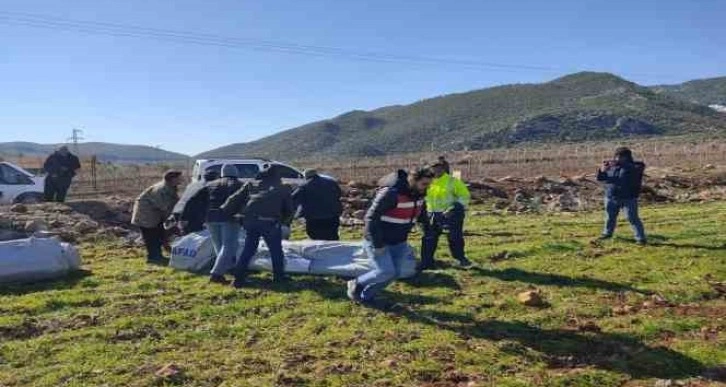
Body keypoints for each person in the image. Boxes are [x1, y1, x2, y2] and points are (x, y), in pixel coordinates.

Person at [347, 168, 433, 303]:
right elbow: (370, 218)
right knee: (385, 271)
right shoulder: (390, 194)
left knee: (395, 273)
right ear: (412, 180)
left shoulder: (419, 194)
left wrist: (428, 228)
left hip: (399, 241)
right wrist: (377, 244)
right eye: (424, 184)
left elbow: (421, 212)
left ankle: (366, 296)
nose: (427, 187)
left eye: (429, 184)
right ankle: (357, 283)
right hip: (379, 240)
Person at [221, 165, 294, 287]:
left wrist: (228, 213)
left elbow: (233, 199)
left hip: (250, 221)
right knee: (276, 250)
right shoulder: (283, 188)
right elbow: (289, 210)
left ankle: (238, 278)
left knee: (248, 250)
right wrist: (284, 221)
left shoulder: (251, 185)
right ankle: (279, 277)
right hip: (270, 222)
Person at [420, 160, 472, 270]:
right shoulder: (427, 182)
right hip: (431, 214)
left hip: (450, 215)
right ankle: (426, 262)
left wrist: (453, 208)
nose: (436, 171)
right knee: (429, 238)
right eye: (433, 168)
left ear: (443, 169)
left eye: (439, 168)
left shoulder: (453, 181)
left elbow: (464, 196)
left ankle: (460, 259)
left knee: (454, 238)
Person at [596, 147, 647, 245]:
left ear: (627, 157)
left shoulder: (637, 166)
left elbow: (634, 169)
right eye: (616, 156)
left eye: (620, 157)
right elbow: (601, 178)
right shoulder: (612, 166)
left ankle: (640, 238)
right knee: (609, 217)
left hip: (629, 197)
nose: (617, 159)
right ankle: (607, 234)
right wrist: (602, 170)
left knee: (632, 218)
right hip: (611, 196)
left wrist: (620, 164)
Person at [131, 170, 183, 263]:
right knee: (151, 237)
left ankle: (157, 256)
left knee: (159, 234)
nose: (181, 179)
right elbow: (163, 206)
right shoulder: (161, 189)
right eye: (179, 177)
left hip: (155, 215)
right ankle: (153, 258)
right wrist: (173, 219)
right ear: (173, 179)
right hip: (146, 215)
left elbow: (175, 202)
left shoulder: (171, 187)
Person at [205, 165, 243, 284]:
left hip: (210, 217)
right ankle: (216, 274)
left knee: (218, 245)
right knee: (229, 246)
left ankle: (227, 267)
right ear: (236, 172)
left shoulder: (210, 184)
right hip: (229, 217)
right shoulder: (239, 184)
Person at [292, 169, 343, 240]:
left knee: (316, 238)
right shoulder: (331, 182)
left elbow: (294, 199)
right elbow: (339, 194)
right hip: (332, 216)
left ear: (306, 177)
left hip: (315, 218)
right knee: (332, 236)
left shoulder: (305, 186)